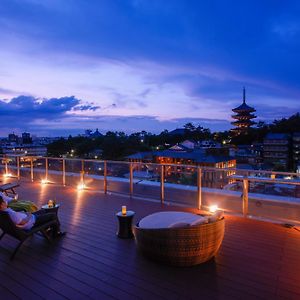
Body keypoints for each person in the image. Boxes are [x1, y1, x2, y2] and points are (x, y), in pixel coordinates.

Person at [0, 195, 65, 237]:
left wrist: (24, 214)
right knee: (52, 215)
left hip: (29, 218)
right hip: (32, 222)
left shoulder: (4, 213)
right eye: (3, 201)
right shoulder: (9, 214)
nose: (5, 202)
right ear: (1, 205)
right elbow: (23, 222)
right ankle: (57, 233)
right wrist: (29, 215)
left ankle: (47, 229)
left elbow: (18, 220)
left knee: (44, 211)